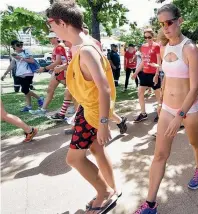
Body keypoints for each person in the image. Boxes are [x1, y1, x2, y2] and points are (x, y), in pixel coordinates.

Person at [46, 1, 120, 212]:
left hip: (92, 112)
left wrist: (104, 123)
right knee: (96, 149)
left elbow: (104, 89)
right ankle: (112, 189)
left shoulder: (86, 49)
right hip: (87, 110)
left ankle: (104, 192)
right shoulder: (84, 45)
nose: (50, 28)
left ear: (62, 22)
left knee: (74, 159)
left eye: (50, 23)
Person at [134, 4, 198, 213]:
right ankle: (150, 204)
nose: (165, 27)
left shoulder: (190, 48)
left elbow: (194, 88)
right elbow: (165, 78)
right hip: (167, 109)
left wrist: (179, 116)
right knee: (159, 155)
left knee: (195, 143)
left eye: (169, 22)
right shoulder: (163, 48)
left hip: (189, 110)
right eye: (162, 24)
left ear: (179, 21)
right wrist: (162, 102)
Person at [30, 32, 68, 116]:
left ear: (56, 38)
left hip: (61, 71)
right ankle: (43, 109)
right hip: (57, 71)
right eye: (49, 38)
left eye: (51, 38)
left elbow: (58, 61)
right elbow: (57, 61)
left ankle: (79, 107)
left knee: (71, 90)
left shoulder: (59, 48)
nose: (49, 40)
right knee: (50, 90)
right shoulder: (57, 48)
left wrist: (44, 68)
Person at [2, 40, 44, 112]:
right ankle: (29, 106)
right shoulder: (14, 54)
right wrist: (5, 74)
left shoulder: (26, 51)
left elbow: (32, 61)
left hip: (28, 73)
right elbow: (12, 65)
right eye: (18, 45)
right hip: (19, 74)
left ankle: (39, 98)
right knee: (26, 90)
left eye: (21, 44)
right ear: (13, 46)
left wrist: (21, 58)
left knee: (24, 90)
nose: (20, 46)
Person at [132, 29, 161, 123]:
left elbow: (159, 62)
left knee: (158, 96)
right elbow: (143, 62)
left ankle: (160, 113)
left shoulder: (157, 46)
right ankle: (143, 114)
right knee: (140, 93)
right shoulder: (143, 47)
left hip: (154, 74)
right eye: (145, 37)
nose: (147, 39)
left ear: (153, 37)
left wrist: (156, 75)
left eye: (149, 37)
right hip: (145, 73)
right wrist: (136, 73)